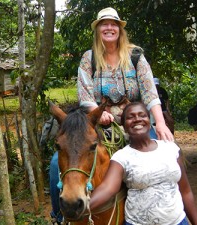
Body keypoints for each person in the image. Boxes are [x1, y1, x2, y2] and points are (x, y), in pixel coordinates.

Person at [49, 7, 173, 224]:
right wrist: (99, 113)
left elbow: (149, 92)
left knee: (161, 160)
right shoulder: (89, 59)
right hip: (97, 122)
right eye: (103, 24)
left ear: (119, 29)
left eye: (113, 24)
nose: (108, 28)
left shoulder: (136, 57)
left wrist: (160, 123)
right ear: (98, 30)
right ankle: (60, 216)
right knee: (54, 164)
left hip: (136, 121)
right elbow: (85, 93)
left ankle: (162, 213)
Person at [90, 102, 197, 225]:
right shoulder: (121, 157)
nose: (137, 119)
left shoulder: (171, 148)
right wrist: (78, 208)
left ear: (149, 122)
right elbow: (107, 189)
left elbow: (185, 191)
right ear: (125, 126)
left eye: (142, 115)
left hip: (178, 222)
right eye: (130, 117)